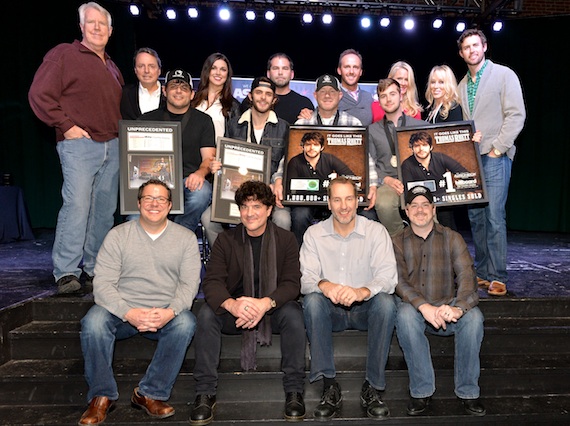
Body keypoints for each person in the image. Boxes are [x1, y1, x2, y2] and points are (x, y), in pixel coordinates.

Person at [78, 179, 201, 425]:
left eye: (161, 199)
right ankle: (102, 396)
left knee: (186, 322)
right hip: (122, 313)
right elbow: (102, 286)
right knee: (93, 321)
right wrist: (128, 312)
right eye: (148, 198)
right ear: (138, 203)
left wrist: (170, 311)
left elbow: (189, 286)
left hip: (163, 314)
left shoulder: (186, 239)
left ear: (169, 206)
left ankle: (150, 394)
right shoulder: (117, 236)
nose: (154, 204)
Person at [190, 181, 306, 425]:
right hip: (238, 312)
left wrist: (265, 303)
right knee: (206, 314)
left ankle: (294, 390)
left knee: (294, 313)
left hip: (270, 310)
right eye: (244, 207)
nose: (250, 213)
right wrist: (232, 305)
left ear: (269, 210)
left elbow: (291, 284)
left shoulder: (286, 240)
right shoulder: (226, 240)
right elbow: (212, 283)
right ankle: (205, 392)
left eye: (256, 206)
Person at [28, 2, 124, 294]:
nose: (97, 28)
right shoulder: (64, 54)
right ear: (81, 27)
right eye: (91, 23)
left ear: (110, 30)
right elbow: (39, 95)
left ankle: (95, 269)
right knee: (77, 206)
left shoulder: (112, 66)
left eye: (102, 24)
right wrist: (66, 125)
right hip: (81, 146)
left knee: (104, 212)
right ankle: (67, 272)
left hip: (113, 145)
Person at [300, 177, 397, 420]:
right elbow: (305, 279)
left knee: (386, 302)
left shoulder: (376, 232)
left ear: (358, 201)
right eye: (337, 200)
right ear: (329, 204)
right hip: (330, 313)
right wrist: (325, 284)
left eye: (349, 199)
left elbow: (388, 277)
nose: (344, 206)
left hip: (365, 310)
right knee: (312, 300)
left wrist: (361, 291)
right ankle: (330, 385)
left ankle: (373, 387)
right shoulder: (313, 234)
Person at [392, 185, 485, 417]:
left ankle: (468, 392)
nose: (420, 210)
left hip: (447, 309)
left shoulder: (452, 238)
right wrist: (424, 307)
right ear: (406, 210)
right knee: (403, 313)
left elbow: (467, 278)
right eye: (414, 205)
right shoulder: (395, 241)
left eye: (425, 205)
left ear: (434, 209)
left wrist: (458, 309)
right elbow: (398, 282)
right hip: (416, 311)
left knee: (474, 317)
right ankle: (422, 391)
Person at [457, 29, 526, 296]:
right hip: (472, 160)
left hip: (495, 156)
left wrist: (498, 149)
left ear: (484, 47)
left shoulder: (504, 75)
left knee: (494, 216)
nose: (472, 50)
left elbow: (516, 115)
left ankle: (498, 275)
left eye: (476, 45)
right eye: (466, 47)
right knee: (477, 217)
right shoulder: (462, 85)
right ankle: (483, 272)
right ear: (461, 53)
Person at [274, 74, 378, 245]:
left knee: (369, 216)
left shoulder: (353, 123)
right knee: (299, 216)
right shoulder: (301, 125)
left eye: (332, 91)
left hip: (343, 196)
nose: (327, 95)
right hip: (308, 196)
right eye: (323, 91)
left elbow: (365, 160)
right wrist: (278, 180)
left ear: (340, 95)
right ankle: (301, 265)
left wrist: (372, 184)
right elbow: (286, 161)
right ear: (315, 95)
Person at [202, 76, 291, 246]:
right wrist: (217, 166)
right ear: (250, 96)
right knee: (208, 219)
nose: (263, 97)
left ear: (274, 99)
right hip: (239, 193)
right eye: (258, 92)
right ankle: (229, 259)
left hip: (270, 194)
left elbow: (285, 163)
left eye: (268, 94)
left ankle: (272, 265)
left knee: (283, 219)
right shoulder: (234, 125)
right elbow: (224, 157)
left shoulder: (284, 127)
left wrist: (278, 182)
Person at [139, 68, 216, 233]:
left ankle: (176, 237)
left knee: (202, 193)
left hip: (187, 180)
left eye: (184, 88)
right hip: (152, 182)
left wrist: (201, 173)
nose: (179, 91)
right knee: (133, 216)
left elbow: (209, 158)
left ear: (192, 94)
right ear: (165, 91)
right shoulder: (146, 119)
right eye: (173, 86)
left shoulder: (203, 121)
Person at [367, 78, 428, 236]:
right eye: (383, 96)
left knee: (428, 214)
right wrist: (386, 180)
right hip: (388, 182)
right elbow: (370, 164)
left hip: (417, 179)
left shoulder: (420, 126)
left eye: (392, 94)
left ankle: (426, 242)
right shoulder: (372, 130)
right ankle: (400, 239)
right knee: (384, 204)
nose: (388, 99)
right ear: (379, 101)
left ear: (401, 95)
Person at [400, 131, 469, 229]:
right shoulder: (407, 164)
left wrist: (468, 189)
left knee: (447, 222)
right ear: (412, 148)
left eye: (424, 145)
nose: (421, 149)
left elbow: (464, 174)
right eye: (417, 146)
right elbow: (409, 193)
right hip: (422, 203)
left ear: (431, 147)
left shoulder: (440, 157)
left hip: (443, 201)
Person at [240, 53, 314, 124]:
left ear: (292, 74)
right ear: (268, 74)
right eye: (275, 68)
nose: (280, 72)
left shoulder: (304, 103)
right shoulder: (251, 101)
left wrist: (309, 119)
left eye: (285, 68)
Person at [191, 52, 240, 141]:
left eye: (223, 69)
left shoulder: (233, 106)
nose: (218, 73)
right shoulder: (193, 99)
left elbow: (236, 137)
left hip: (218, 153)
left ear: (227, 74)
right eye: (213, 68)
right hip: (192, 152)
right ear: (207, 71)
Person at [120, 47, 165, 120]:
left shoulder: (169, 95)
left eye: (151, 66)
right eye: (141, 66)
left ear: (159, 70)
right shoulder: (124, 94)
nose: (146, 70)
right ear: (135, 70)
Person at [336, 49, 374, 126]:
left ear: (360, 72)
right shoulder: (332, 96)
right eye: (347, 67)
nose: (351, 71)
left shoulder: (368, 97)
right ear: (339, 70)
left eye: (355, 67)